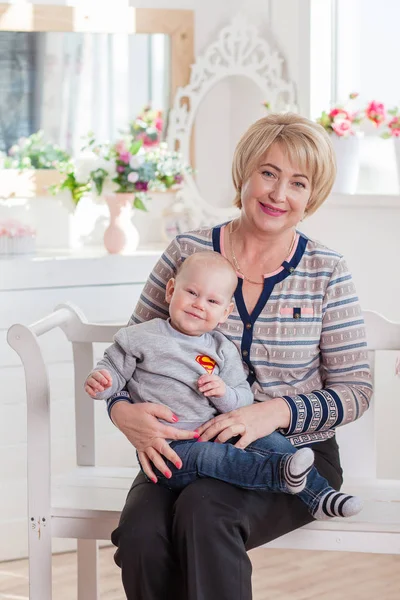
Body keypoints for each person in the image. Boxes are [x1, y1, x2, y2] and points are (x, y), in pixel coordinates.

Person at [106, 113, 373, 600]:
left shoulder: (326, 270)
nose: (278, 194)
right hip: (182, 448)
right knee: (142, 536)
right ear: (245, 174)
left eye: (298, 182)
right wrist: (122, 412)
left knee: (206, 514)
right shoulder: (187, 252)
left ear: (310, 197)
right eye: (268, 173)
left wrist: (270, 413)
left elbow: (356, 391)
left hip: (292, 459)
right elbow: (129, 352)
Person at [85, 251, 362, 521]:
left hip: (213, 430)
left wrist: (223, 393)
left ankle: (320, 496)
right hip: (168, 449)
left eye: (212, 300)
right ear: (170, 290)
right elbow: (113, 372)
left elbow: (241, 400)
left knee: (270, 441)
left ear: (225, 312)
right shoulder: (139, 337)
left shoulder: (222, 350)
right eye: (191, 293)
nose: (199, 304)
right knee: (212, 456)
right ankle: (279, 474)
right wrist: (102, 383)